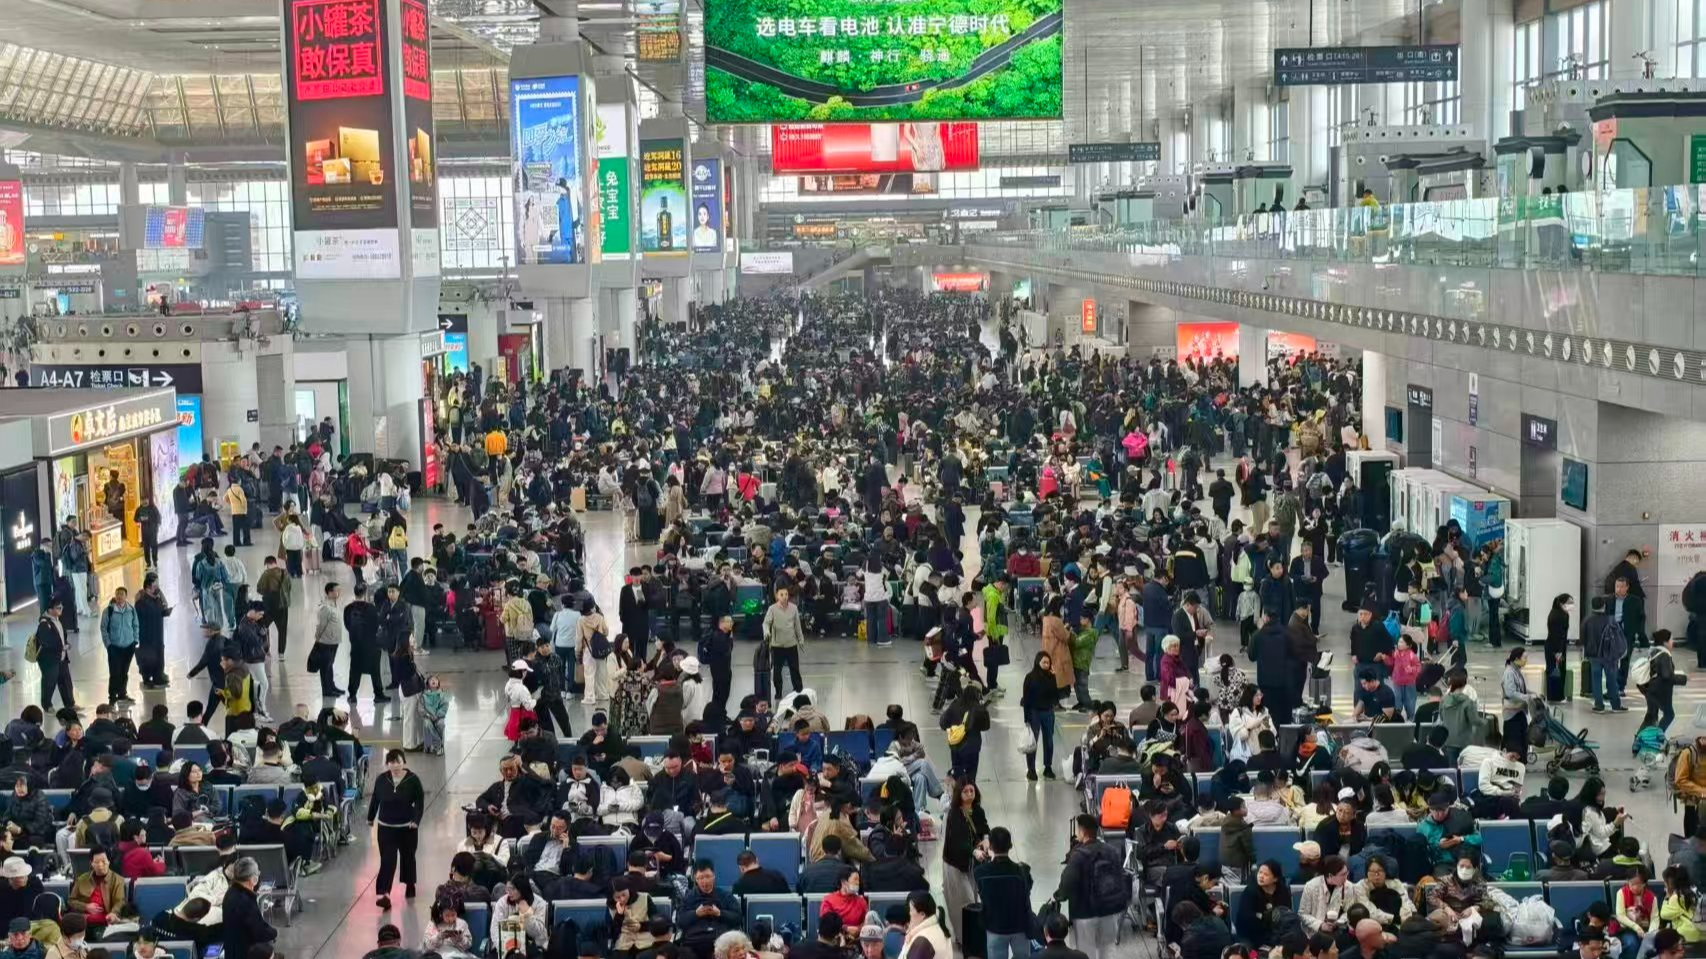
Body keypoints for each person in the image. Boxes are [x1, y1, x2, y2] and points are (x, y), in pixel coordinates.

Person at [1052, 813, 1125, 954]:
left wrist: (1059, 896)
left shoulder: (1078, 855)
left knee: (1086, 952)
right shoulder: (1111, 851)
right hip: (1109, 910)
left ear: (1082, 832)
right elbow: (1120, 878)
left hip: (1084, 913)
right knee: (1107, 950)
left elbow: (1068, 882)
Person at [367, 749, 423, 910]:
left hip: (407, 828)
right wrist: (371, 817)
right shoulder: (382, 779)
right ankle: (384, 894)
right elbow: (375, 799)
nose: (395, 765)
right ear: (387, 764)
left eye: (398, 761)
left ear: (403, 762)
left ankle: (410, 884)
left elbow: (419, 802)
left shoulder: (413, 780)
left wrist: (416, 820)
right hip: (386, 828)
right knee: (387, 860)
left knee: (408, 857)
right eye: (391, 762)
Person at [219, 858, 276, 959]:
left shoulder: (230, 893)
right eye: (258, 874)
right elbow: (260, 932)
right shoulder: (246, 902)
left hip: (231, 950)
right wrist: (274, 932)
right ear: (254, 879)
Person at [1020, 650, 1058, 781]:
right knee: (1032, 742)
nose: (1046, 665)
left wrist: (1054, 678)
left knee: (1049, 741)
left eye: (1048, 663)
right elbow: (1026, 698)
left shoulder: (1051, 677)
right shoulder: (1030, 678)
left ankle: (1048, 767)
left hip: (1048, 712)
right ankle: (1031, 769)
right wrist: (1026, 718)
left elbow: (1055, 697)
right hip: (1034, 713)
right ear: (1038, 662)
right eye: (1044, 662)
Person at [1639, 629, 1685, 731]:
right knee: (1669, 715)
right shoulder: (1664, 655)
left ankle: (1641, 737)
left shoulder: (1654, 651)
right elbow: (1667, 675)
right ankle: (1657, 735)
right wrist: (1683, 679)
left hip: (1650, 688)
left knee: (1651, 716)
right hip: (1660, 691)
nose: (1673, 642)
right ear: (1665, 642)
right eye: (1671, 640)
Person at [99, 587, 139, 704]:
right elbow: (103, 628)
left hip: (129, 646)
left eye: (122, 594)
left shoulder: (131, 610)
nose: (119, 597)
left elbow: (136, 625)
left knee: (124, 672)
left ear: (126, 596)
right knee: (114, 672)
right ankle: (112, 696)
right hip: (114, 647)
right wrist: (108, 644)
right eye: (117, 594)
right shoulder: (109, 611)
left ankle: (122, 694)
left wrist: (135, 640)